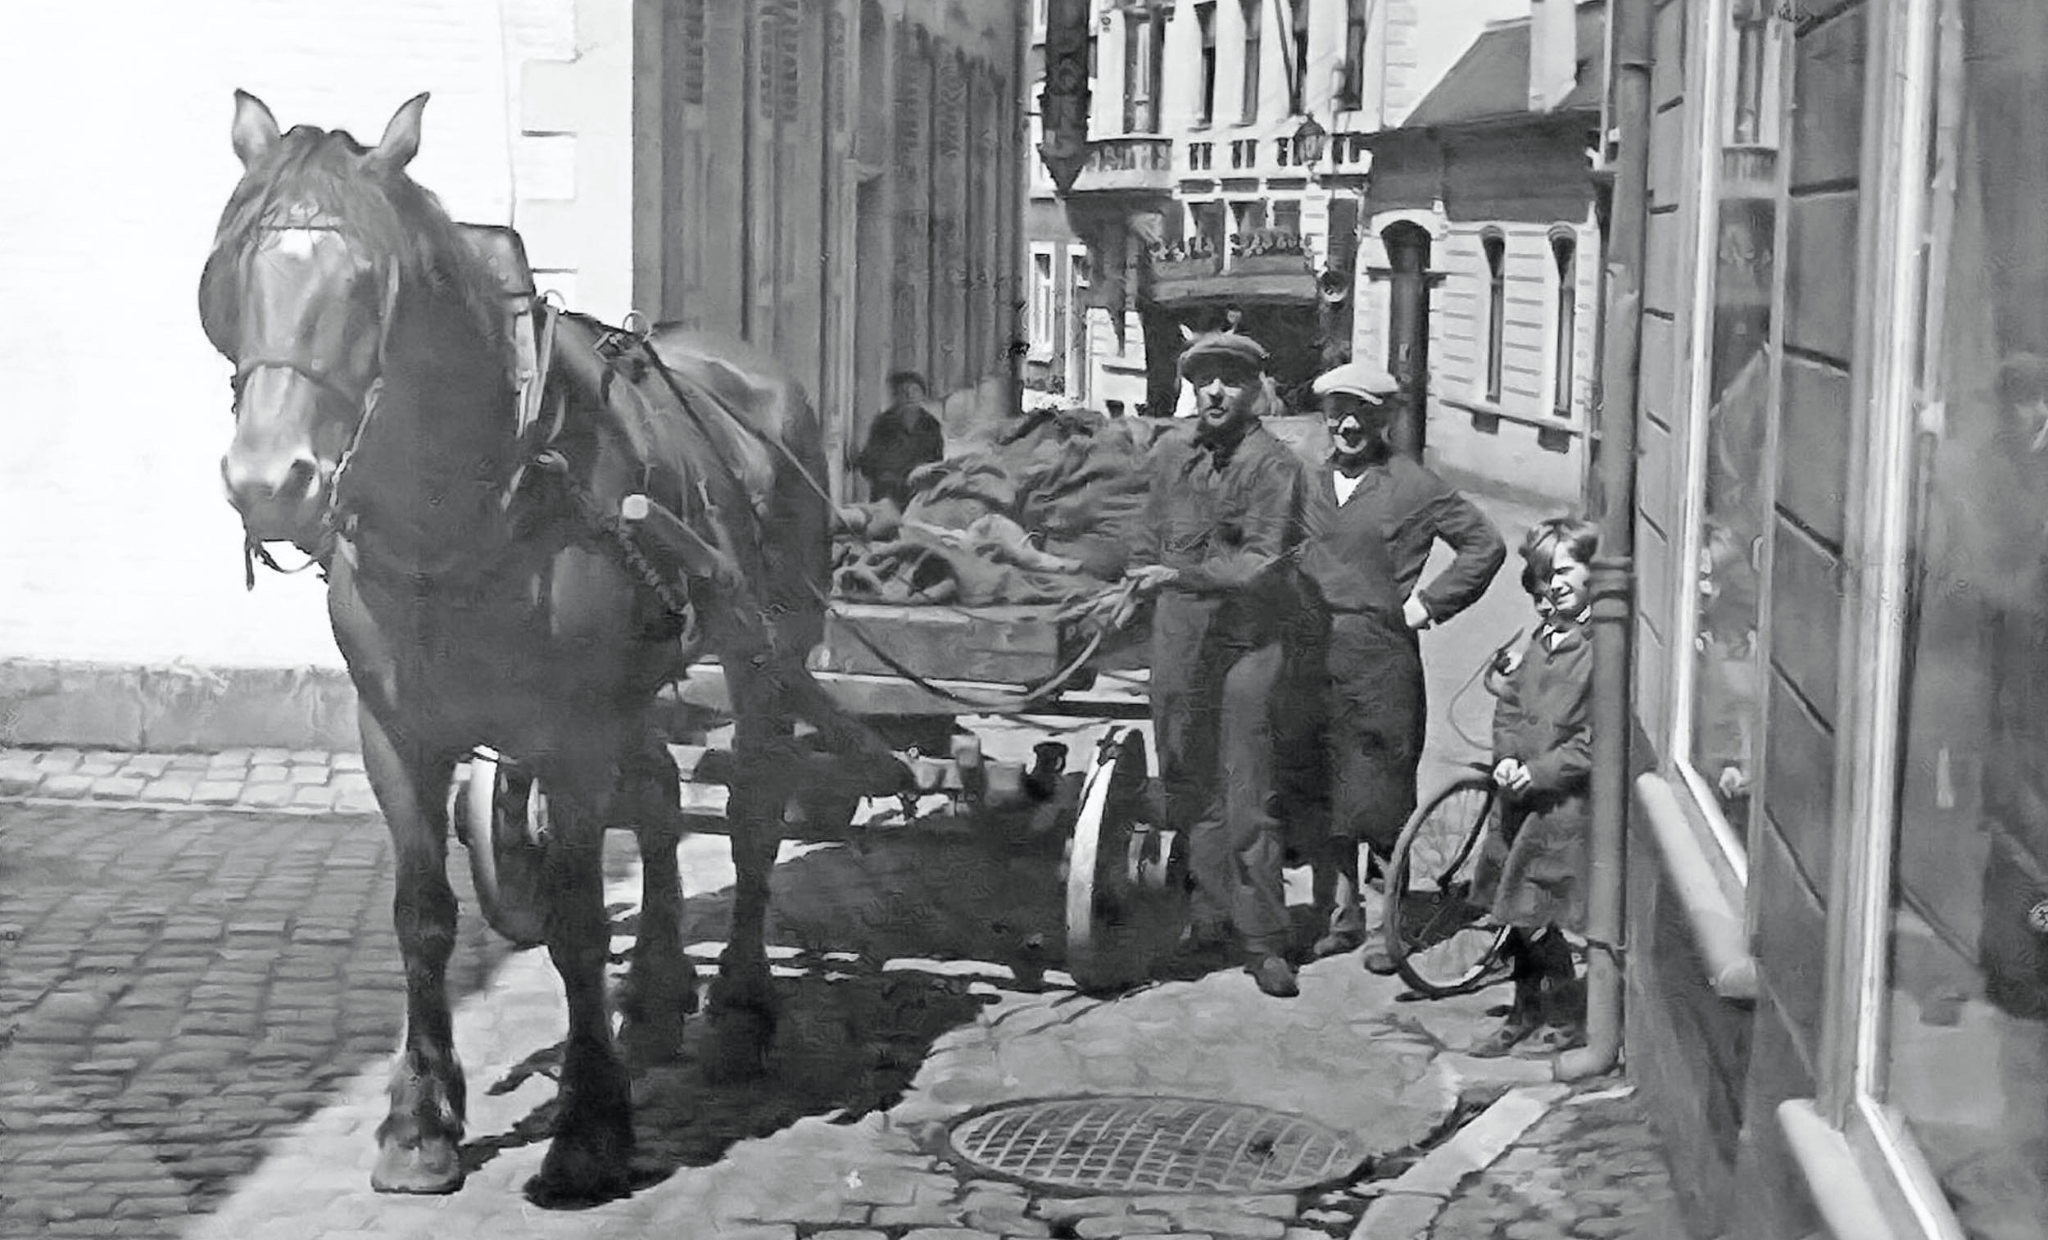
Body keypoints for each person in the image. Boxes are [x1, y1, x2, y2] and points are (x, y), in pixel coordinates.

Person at [1299, 361, 1505, 972]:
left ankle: (1394, 928)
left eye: (1361, 411)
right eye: (1337, 410)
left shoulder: (1413, 485)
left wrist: (1428, 603)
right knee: (1326, 785)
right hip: (1313, 651)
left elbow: (1484, 545)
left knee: (1385, 792)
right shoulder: (1308, 482)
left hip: (1383, 657)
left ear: (1384, 419)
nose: (1347, 423)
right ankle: (1341, 919)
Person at [1125, 331, 1314, 998]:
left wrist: (1174, 573)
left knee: (1246, 797)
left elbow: (1263, 561)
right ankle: (1206, 921)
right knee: (1185, 784)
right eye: (1203, 377)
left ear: (1255, 388)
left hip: (1245, 648)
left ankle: (1264, 941)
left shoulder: (1274, 466)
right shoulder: (1174, 456)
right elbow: (1145, 537)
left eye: (1229, 378)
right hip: (1178, 644)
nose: (1214, 391)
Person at [1467, 516, 1598, 1057]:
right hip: (1517, 800)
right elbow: (1511, 706)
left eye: (1565, 570)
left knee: (1540, 915)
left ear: (1593, 573)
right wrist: (1505, 759)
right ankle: (1524, 1009)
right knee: (1515, 915)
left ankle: (1567, 1012)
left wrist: (1540, 772)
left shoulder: (1598, 650)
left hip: (1559, 809)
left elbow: (1593, 741)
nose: (1554, 586)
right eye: (1545, 576)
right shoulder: (1542, 641)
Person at [854, 370, 945, 508]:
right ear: (896, 396)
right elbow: (869, 462)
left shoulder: (931, 425)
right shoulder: (883, 424)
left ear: (922, 394)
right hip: (887, 497)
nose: (909, 396)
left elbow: (937, 464)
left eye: (915, 390)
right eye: (904, 391)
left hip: (919, 497)